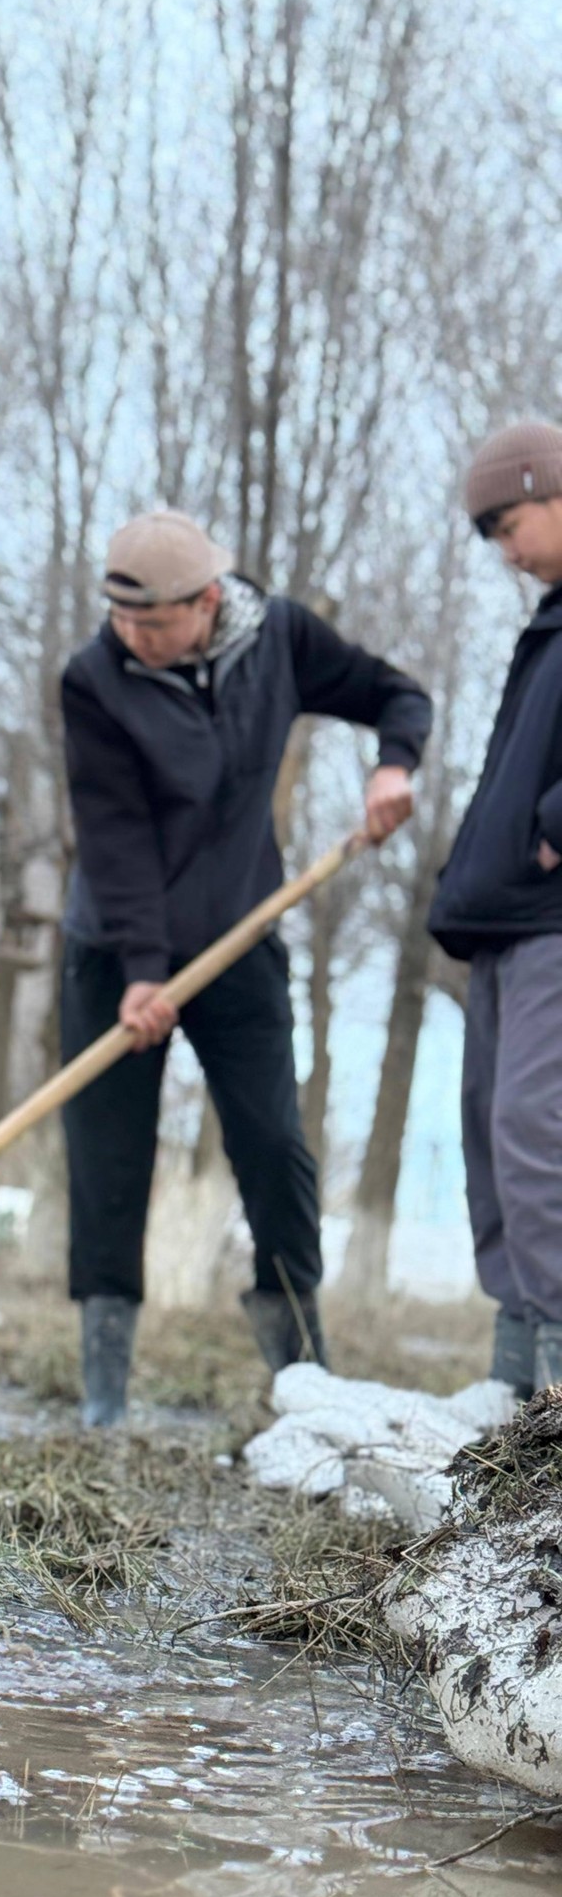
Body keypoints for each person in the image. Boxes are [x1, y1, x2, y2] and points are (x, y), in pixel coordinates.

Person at [58, 511, 432, 1426]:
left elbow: (396, 695)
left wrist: (394, 766)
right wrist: (143, 968)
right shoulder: (94, 678)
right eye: (120, 619)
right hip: (117, 947)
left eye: (152, 623)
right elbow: (113, 834)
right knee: (110, 1158)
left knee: (273, 1146)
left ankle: (303, 1374)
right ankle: (104, 1396)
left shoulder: (280, 640)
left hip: (240, 930)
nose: (131, 637)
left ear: (208, 602)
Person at [427, 422, 562, 1400]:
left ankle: (558, 1359)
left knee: (533, 1118)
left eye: (508, 525)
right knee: (486, 1122)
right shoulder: (550, 621)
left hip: (553, 909)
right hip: (506, 913)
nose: (504, 552)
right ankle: (516, 1368)